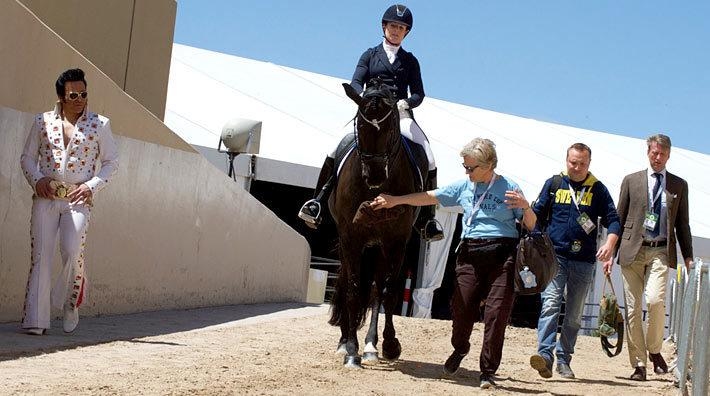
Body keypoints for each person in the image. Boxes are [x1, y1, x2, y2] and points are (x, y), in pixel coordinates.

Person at [370, 138, 537, 389]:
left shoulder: (509, 187)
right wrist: (396, 199)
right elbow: (430, 197)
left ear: (489, 165)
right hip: (470, 253)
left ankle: (487, 372)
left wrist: (526, 208)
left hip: (503, 256)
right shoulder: (463, 186)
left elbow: (532, 226)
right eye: (465, 166)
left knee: (496, 315)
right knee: (462, 309)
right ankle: (460, 348)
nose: (466, 172)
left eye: (471, 168)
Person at [298, 4, 444, 241]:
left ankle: (428, 218)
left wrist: (405, 104)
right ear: (384, 27)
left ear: (406, 32)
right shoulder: (369, 54)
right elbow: (356, 82)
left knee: (429, 155)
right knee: (335, 147)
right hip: (371, 112)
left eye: (401, 28)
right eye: (393, 26)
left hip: (398, 115)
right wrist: (363, 99)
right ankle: (317, 203)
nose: (396, 31)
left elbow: (419, 93)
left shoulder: (410, 61)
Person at [20, 68, 119, 335]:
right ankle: (35, 320)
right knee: (41, 255)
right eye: (73, 94)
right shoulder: (41, 122)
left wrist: (91, 186)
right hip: (46, 196)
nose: (79, 99)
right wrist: (37, 179)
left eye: (84, 94)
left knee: (73, 248)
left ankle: (71, 300)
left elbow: (111, 162)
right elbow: (27, 157)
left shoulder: (100, 124)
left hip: (78, 198)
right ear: (61, 96)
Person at [528, 143, 621, 380]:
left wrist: (609, 245)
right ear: (566, 160)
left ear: (589, 164)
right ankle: (545, 356)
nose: (577, 167)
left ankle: (564, 359)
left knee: (574, 314)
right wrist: (536, 243)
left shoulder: (598, 189)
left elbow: (614, 220)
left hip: (584, 260)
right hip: (554, 256)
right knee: (550, 303)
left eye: (582, 163)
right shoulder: (554, 184)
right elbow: (535, 215)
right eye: (573, 162)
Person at [616, 134, 693, 381]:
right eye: (653, 153)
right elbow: (618, 218)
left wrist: (688, 257)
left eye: (662, 154)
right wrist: (610, 251)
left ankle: (655, 350)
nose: (657, 158)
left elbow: (683, 225)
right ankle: (638, 365)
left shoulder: (679, 185)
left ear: (668, 155)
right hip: (632, 250)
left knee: (655, 300)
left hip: (660, 249)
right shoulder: (631, 180)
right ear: (647, 152)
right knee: (632, 309)